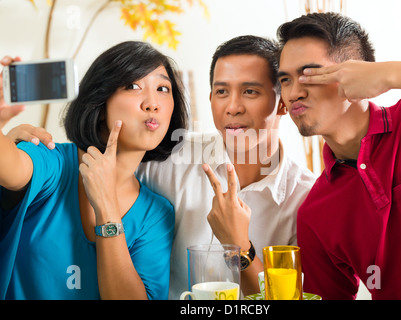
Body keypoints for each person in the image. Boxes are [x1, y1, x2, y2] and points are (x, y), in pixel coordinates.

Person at [9, 35, 316, 298]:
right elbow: (43, 166)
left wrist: (242, 248)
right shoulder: (170, 157)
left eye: (250, 91)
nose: (233, 106)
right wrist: (10, 138)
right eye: (222, 91)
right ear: (210, 98)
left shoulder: (306, 200)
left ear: (282, 102)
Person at [276, 12, 401, 299]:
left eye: (309, 75)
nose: (293, 92)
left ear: (355, 75)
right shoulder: (315, 213)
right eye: (285, 80)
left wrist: (388, 74)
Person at [0, 41, 189, 299]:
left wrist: (107, 209)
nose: (153, 103)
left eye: (163, 88)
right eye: (133, 86)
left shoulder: (155, 214)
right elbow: (9, 167)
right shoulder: (52, 160)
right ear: (101, 104)